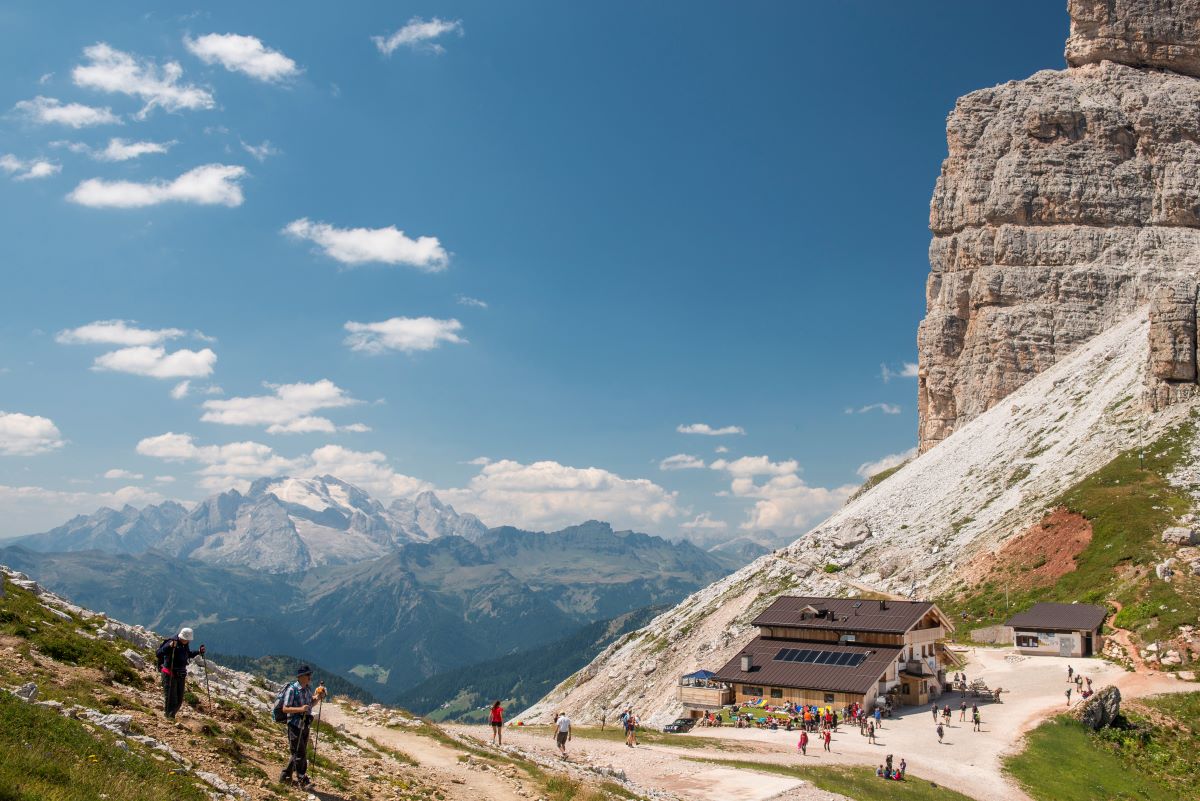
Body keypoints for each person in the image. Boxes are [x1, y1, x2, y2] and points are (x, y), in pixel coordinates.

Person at [279, 665, 327, 788]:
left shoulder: (307, 689)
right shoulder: (292, 690)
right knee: (300, 752)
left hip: (305, 724)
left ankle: (285, 775)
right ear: (301, 677)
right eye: (307, 675)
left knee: (299, 751)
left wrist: (319, 697)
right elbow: (285, 708)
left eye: (310, 675)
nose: (310, 677)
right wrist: (301, 709)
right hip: (294, 725)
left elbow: (310, 704)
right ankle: (303, 779)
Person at [155, 627, 205, 721]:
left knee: (179, 700)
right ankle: (169, 718)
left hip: (180, 674)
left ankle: (171, 716)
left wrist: (198, 652)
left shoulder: (184, 644)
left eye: (188, 640)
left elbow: (187, 654)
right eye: (186, 640)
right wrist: (169, 646)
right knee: (171, 698)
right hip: (169, 673)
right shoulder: (171, 642)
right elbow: (158, 653)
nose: (187, 641)